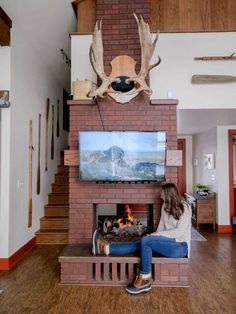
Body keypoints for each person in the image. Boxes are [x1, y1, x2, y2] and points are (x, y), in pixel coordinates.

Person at [92, 183, 192, 294]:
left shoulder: (185, 207)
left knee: (146, 240)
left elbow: (179, 232)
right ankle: (105, 248)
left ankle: (145, 279)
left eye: (162, 193)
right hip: (166, 242)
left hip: (179, 246)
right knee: (141, 242)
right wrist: (154, 236)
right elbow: (161, 226)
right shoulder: (165, 206)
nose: (160, 195)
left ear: (168, 194)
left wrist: (154, 237)